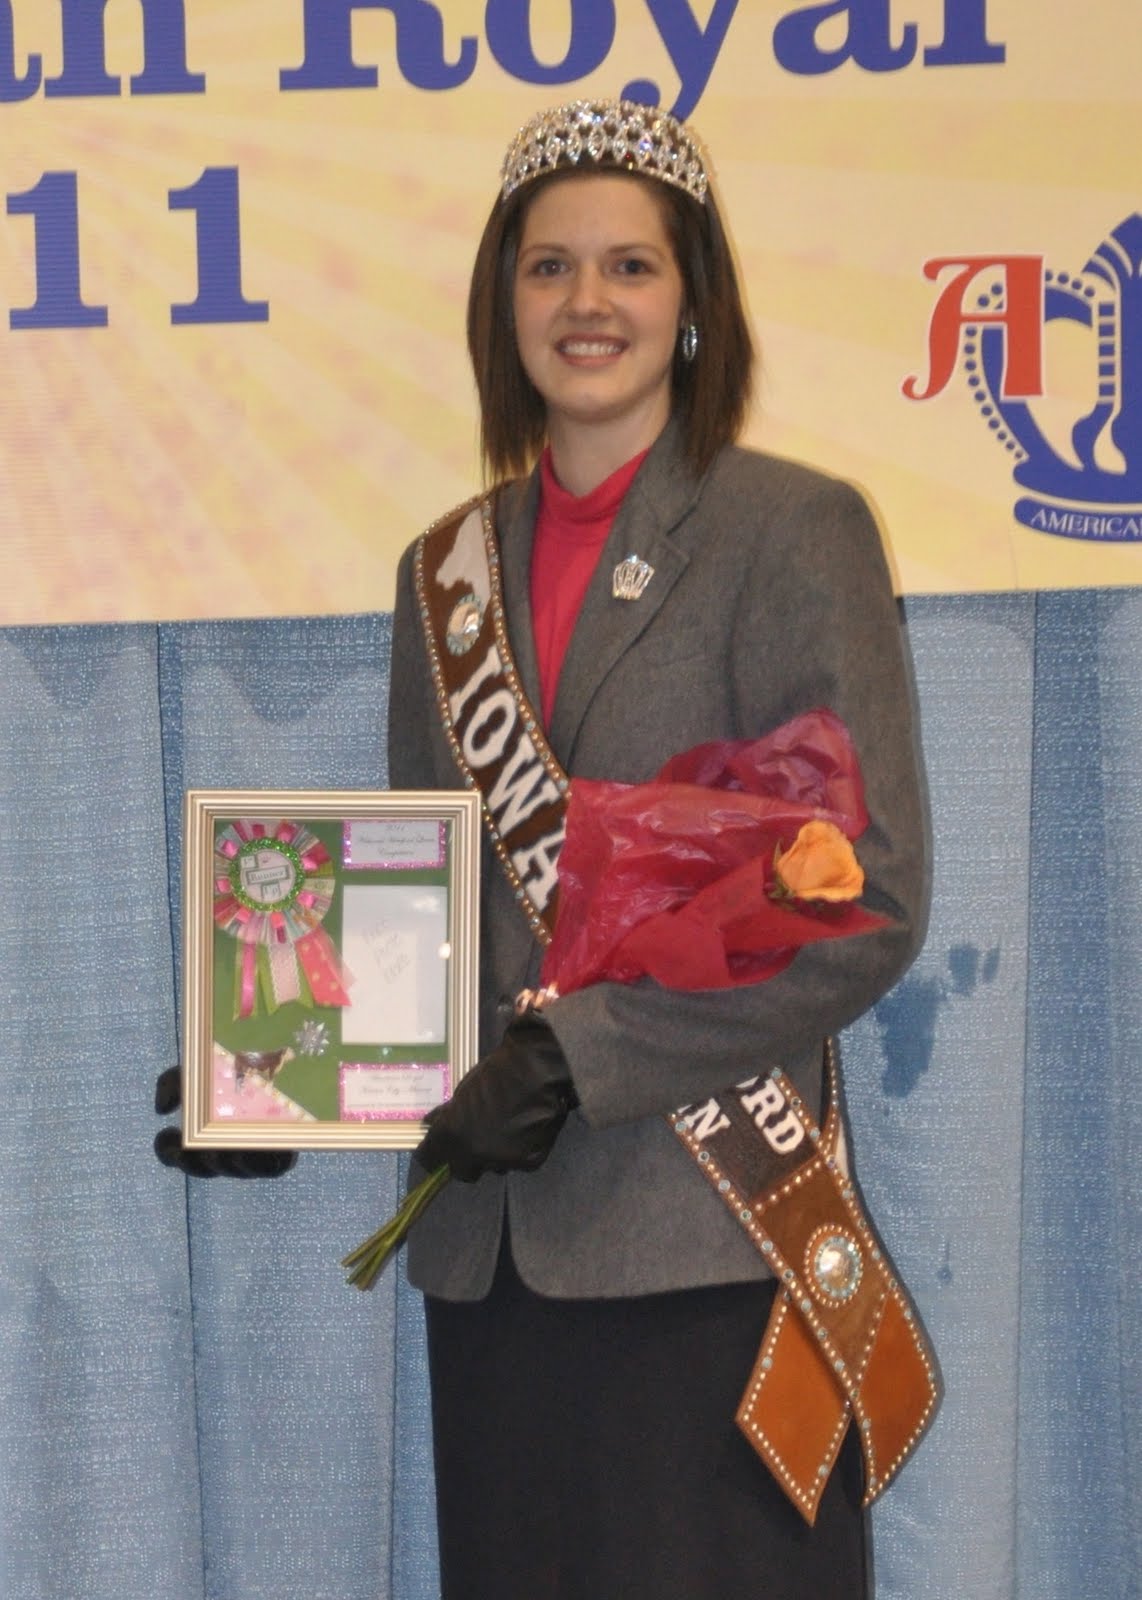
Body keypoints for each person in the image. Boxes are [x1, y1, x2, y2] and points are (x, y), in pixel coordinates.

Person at [389, 100, 931, 1600]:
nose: (587, 305)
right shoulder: (438, 572)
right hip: (492, 1265)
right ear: (503, 300)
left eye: (629, 267)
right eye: (549, 268)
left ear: (693, 302)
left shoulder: (791, 532)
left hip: (702, 1247)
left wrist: (579, 1058)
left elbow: (860, 900)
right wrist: (283, 1067)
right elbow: (418, 910)